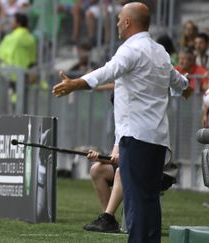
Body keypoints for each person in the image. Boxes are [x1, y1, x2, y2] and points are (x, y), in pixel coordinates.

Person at [52, 2, 192, 242]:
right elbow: (179, 82)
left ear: (128, 22)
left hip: (135, 137)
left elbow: (108, 71)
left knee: (136, 200)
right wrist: (186, 88)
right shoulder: (160, 51)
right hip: (157, 140)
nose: (116, 22)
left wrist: (76, 83)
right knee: (148, 200)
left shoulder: (131, 50)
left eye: (119, 19)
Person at [0, 13, 36, 110]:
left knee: (11, 107)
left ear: (18, 23)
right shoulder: (31, 39)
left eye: (13, 21)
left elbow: (2, 54)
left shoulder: (11, 38)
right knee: (23, 106)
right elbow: (32, 59)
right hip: (25, 76)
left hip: (12, 76)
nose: (11, 23)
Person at [84, 145, 123, 233]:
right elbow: (112, 159)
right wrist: (98, 157)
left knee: (121, 171)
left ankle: (108, 216)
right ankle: (108, 220)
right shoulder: (121, 130)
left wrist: (126, 156)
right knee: (96, 170)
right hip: (128, 166)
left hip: (150, 169)